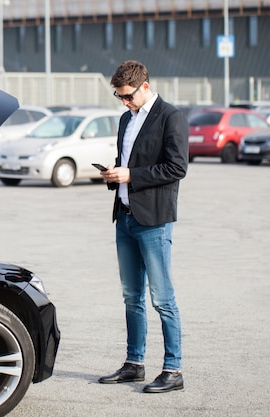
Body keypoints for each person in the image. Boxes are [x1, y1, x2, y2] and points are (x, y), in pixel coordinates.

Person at [97, 60, 188, 393]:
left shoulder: (171, 117)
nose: (124, 102)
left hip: (153, 221)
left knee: (162, 298)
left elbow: (177, 167)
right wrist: (114, 173)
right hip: (124, 217)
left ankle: (173, 370)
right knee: (131, 296)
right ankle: (134, 364)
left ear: (145, 87)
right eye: (119, 97)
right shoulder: (126, 119)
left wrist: (131, 175)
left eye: (128, 96)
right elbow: (127, 164)